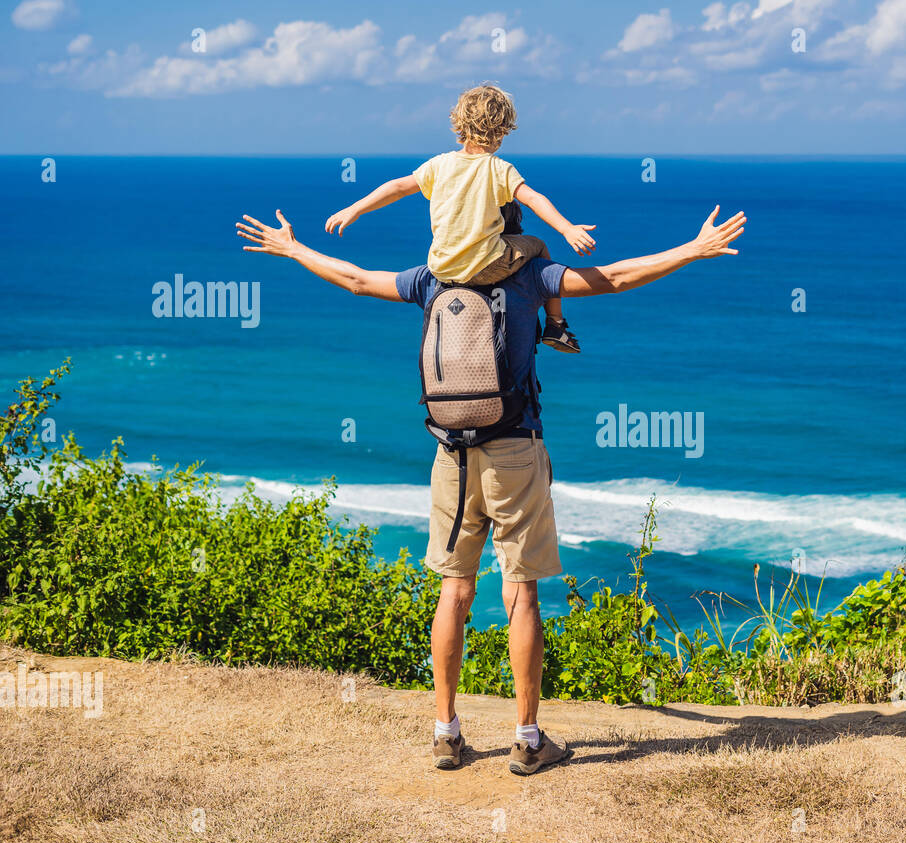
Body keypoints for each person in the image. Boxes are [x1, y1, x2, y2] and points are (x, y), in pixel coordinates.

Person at [236, 203, 745, 775]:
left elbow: (356, 280)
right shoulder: (529, 274)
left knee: (454, 590)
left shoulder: (433, 278)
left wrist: (293, 248)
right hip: (514, 449)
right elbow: (618, 277)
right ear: (512, 229)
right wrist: (692, 250)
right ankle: (527, 741)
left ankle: (445, 733)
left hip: (450, 453)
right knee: (520, 592)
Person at [324, 84, 589, 353]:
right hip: (486, 267)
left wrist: (354, 208)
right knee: (539, 244)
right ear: (502, 130)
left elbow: (397, 187)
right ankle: (556, 324)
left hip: (442, 268)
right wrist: (567, 229)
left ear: (459, 124)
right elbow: (533, 199)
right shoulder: (498, 168)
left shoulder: (439, 164)